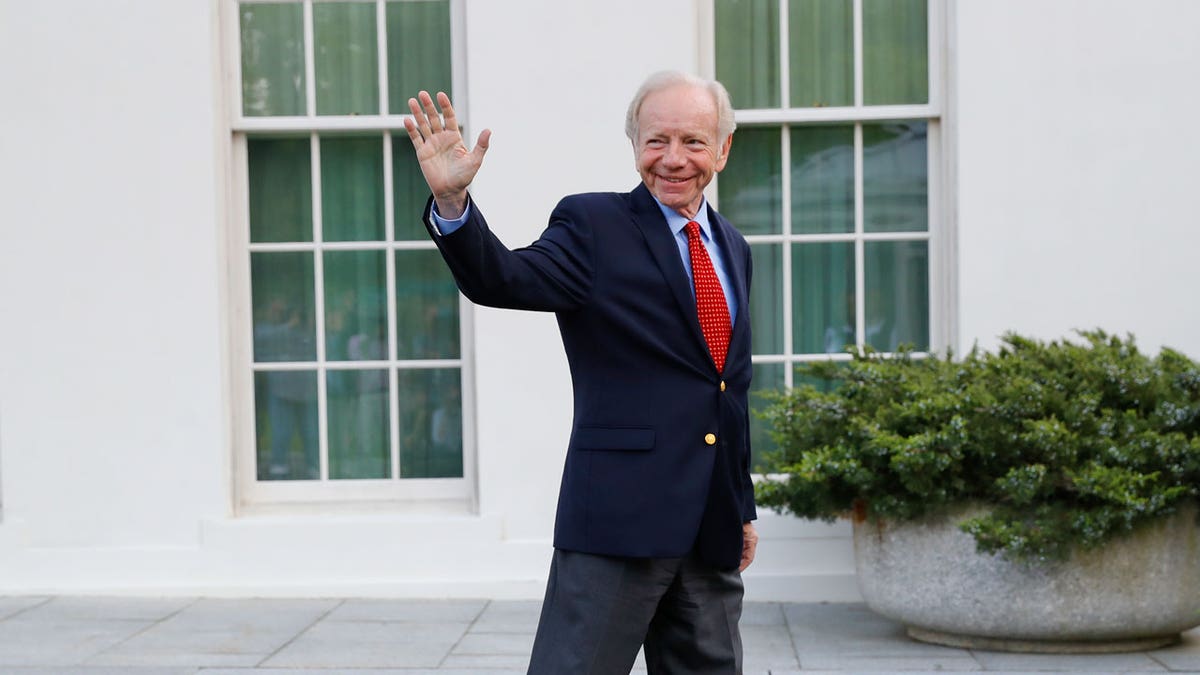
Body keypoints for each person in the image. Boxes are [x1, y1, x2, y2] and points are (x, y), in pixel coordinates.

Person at [404, 70, 758, 674]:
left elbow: (727, 388)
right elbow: (502, 279)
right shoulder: (594, 226)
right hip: (616, 524)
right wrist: (452, 204)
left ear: (722, 149)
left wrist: (740, 502)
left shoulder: (733, 245)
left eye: (694, 142)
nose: (674, 159)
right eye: (657, 140)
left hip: (709, 527)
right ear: (634, 144)